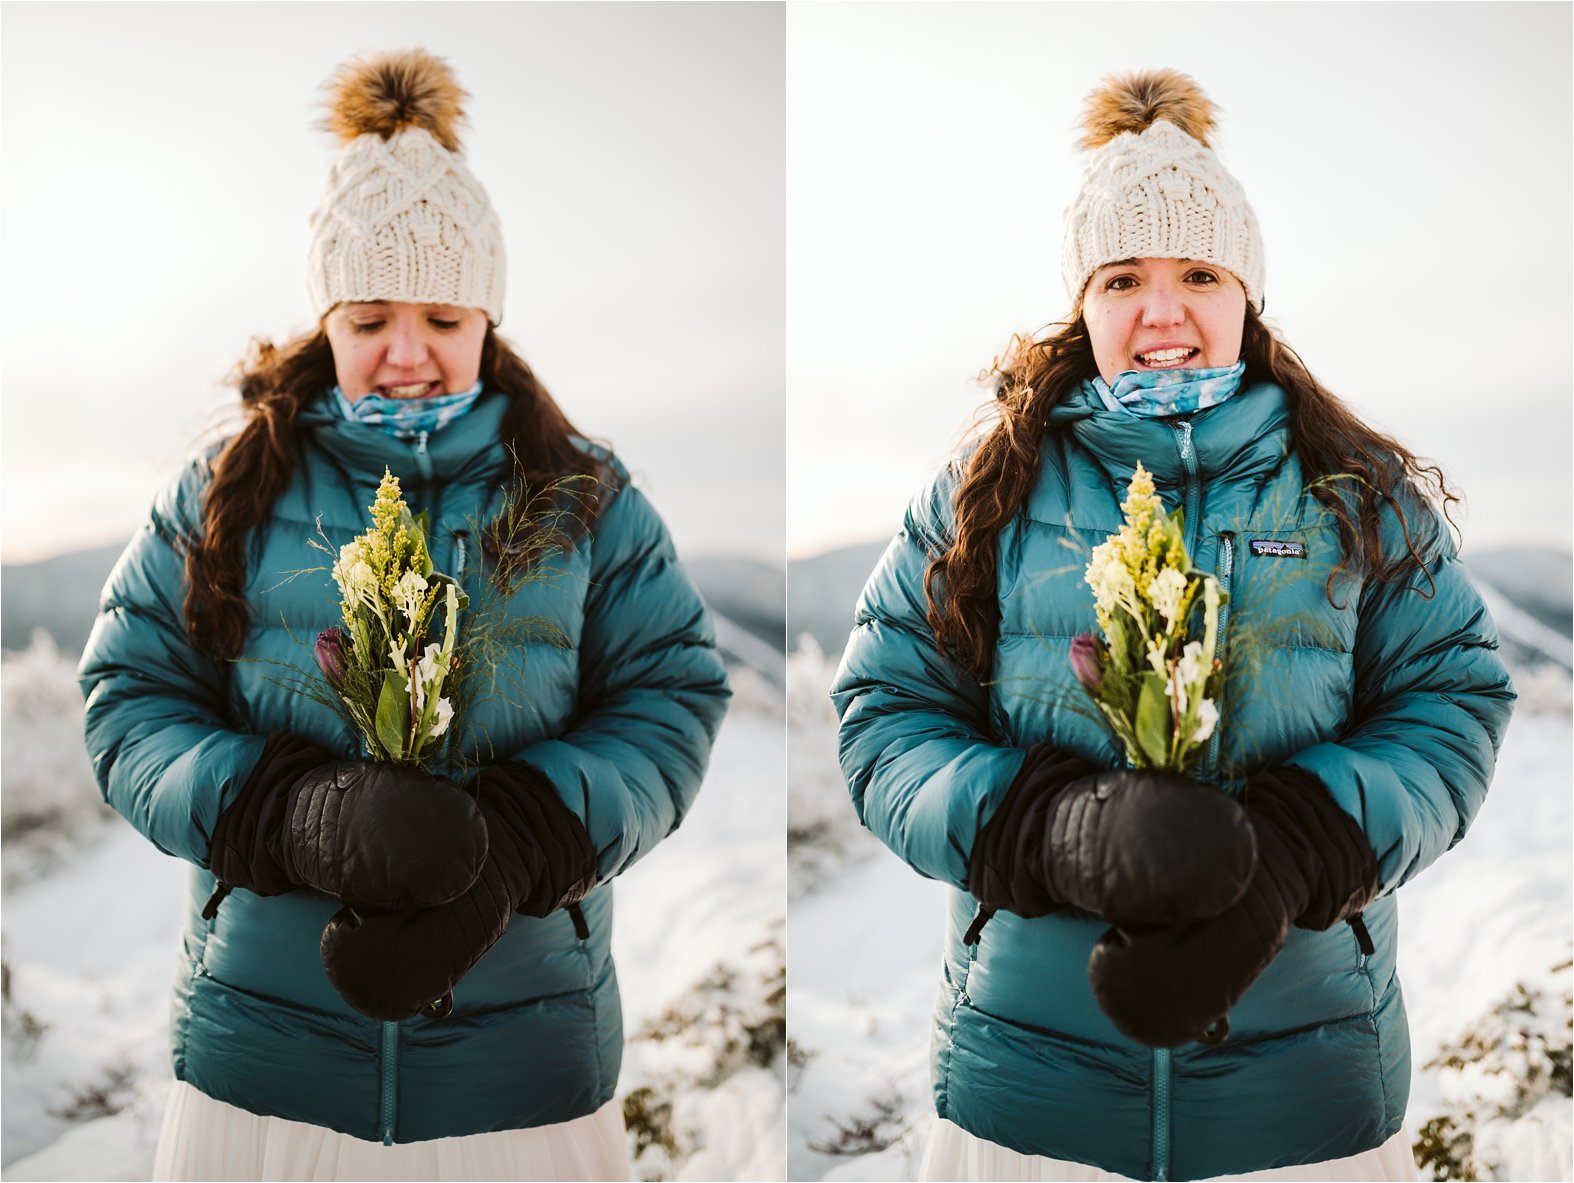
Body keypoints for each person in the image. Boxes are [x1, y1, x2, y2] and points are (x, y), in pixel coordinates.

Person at [830, 69, 1515, 1183]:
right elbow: (881, 715)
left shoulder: (1354, 490)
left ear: (1245, 291)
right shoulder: (979, 493)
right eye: (1121, 279)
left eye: (1198, 273)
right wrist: (1040, 827)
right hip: (1030, 1096)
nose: (1161, 313)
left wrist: (1302, 844)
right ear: (1081, 303)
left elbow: (1453, 701)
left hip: (1301, 1098)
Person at [78, 50, 729, 1181]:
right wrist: (285, 811)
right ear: (326, 315)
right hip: (268, 1055)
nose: (407, 351)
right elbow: (128, 697)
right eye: (370, 314)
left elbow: (672, 693)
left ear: (488, 316)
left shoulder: (579, 492)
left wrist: (532, 832)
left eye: (441, 313)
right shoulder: (227, 486)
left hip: (519, 1057)